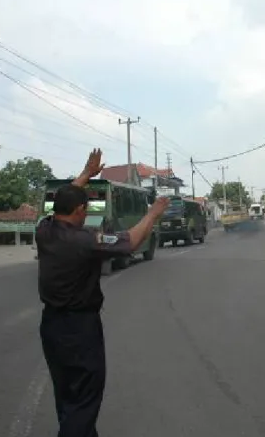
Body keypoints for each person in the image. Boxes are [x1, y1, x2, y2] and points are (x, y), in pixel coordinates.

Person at [36, 148, 169, 437]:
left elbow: (63, 199)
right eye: (85, 209)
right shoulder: (86, 240)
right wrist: (152, 214)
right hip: (79, 330)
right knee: (84, 397)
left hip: (51, 326)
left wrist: (86, 173)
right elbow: (131, 241)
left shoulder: (44, 230)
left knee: (67, 393)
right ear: (80, 211)